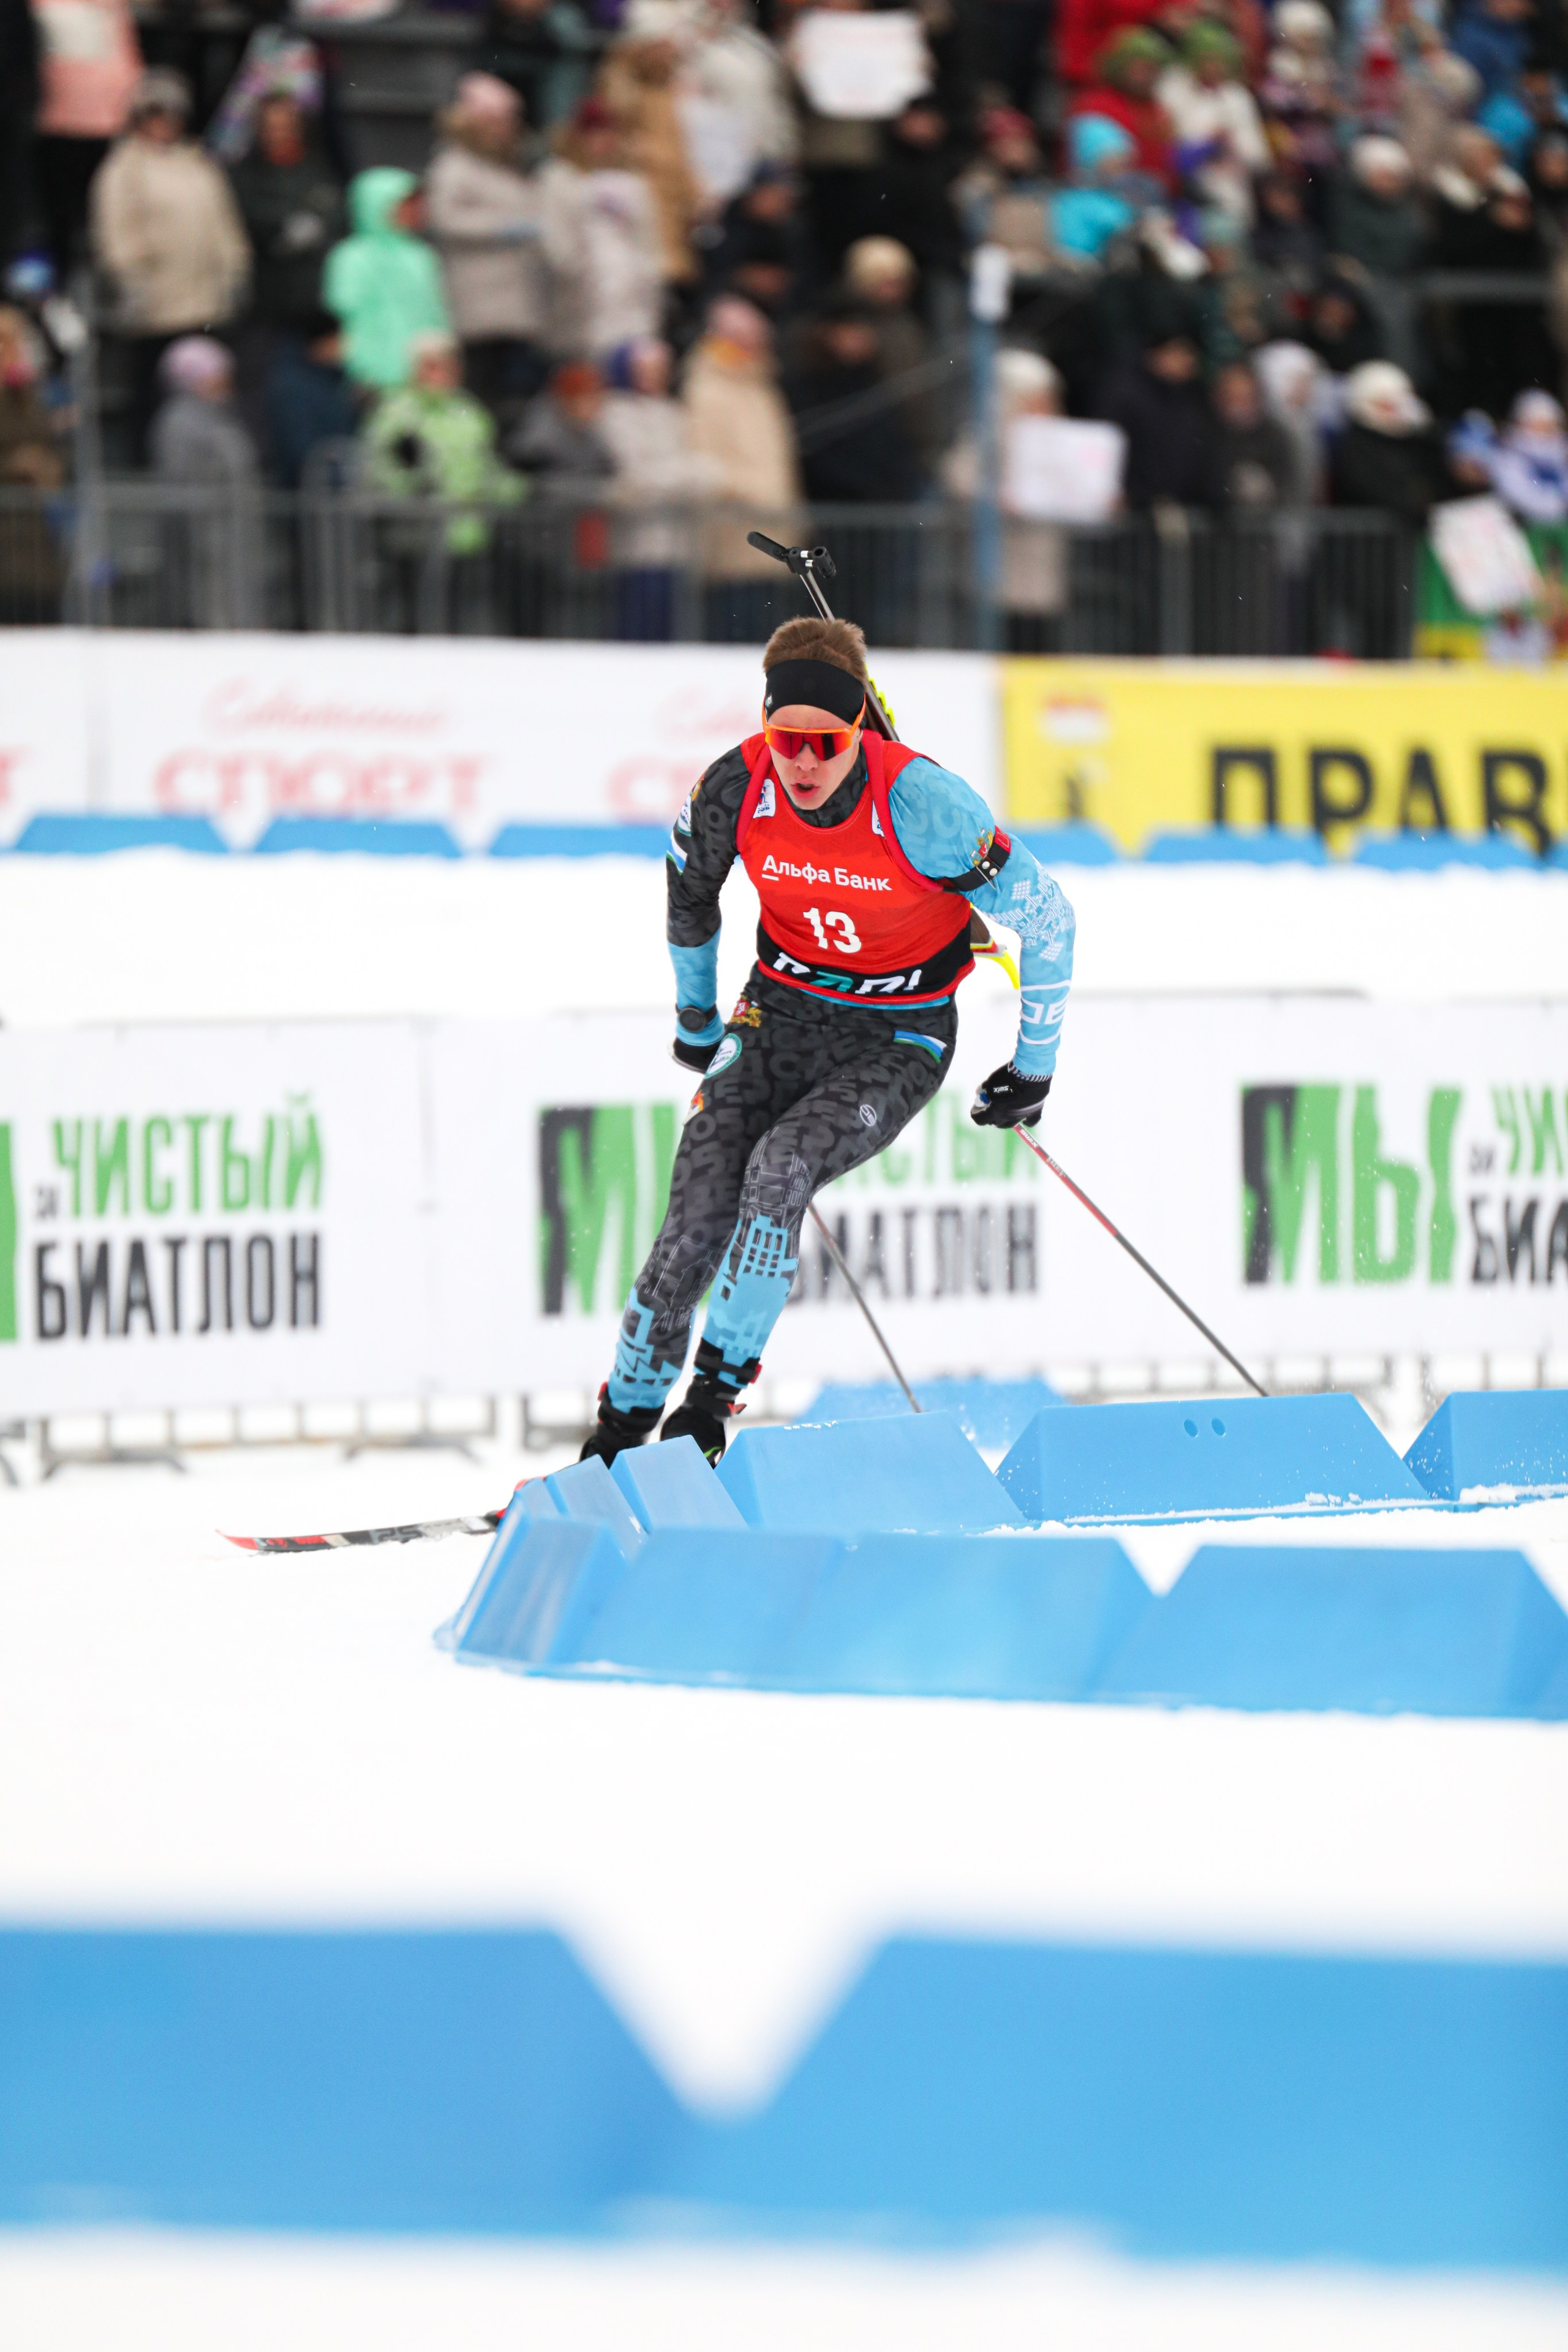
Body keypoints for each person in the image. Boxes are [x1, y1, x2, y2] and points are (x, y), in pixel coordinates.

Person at [577, 612, 1076, 1465]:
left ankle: (706, 1413)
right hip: (780, 1016)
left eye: (826, 742)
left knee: (780, 1168)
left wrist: (1033, 1071)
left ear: (857, 730)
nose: (804, 762)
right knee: (691, 1228)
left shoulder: (923, 803)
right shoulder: (735, 786)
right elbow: (690, 894)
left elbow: (1049, 919)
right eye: (786, 739)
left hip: (897, 1036)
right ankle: (615, 1440)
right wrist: (697, 1021)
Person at [89, 69, 251, 456]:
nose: (164, 123)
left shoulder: (199, 164)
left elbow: (225, 224)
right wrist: (130, 277)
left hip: (203, 303)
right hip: (155, 307)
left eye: (171, 113)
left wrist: (233, 269)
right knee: (154, 393)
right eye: (155, 113)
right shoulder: (123, 168)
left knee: (207, 393)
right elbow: (114, 230)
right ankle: (149, 465)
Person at [424, 72, 573, 418]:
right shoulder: (454, 166)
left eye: (507, 120)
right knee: (483, 395)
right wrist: (506, 229)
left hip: (519, 304)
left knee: (518, 398)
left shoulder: (510, 167)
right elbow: (446, 219)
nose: (503, 128)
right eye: (494, 120)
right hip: (478, 306)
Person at [682, 293, 802, 636]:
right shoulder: (707, 389)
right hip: (736, 542)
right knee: (737, 635)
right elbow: (705, 463)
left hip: (775, 540)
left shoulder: (762, 387)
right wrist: (759, 497)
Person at [148, 334, 263, 627]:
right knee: (210, 606)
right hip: (205, 542)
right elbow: (181, 481)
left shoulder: (220, 417)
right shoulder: (180, 421)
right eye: (218, 375)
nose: (226, 382)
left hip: (230, 535)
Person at [541, 97, 664, 356]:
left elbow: (648, 238)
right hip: (583, 296)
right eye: (594, 134)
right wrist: (572, 271)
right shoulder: (560, 177)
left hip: (630, 295)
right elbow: (556, 240)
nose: (602, 142)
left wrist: (648, 277)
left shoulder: (633, 182)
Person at [31, 0, 141, 276]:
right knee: (57, 219)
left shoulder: (112, 6)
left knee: (103, 217)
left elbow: (128, 61)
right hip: (53, 127)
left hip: (106, 127)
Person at [228, 88, 344, 341]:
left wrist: (319, 226)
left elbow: (336, 213)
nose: (279, 134)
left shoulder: (319, 169)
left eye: (286, 126)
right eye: (271, 127)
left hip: (317, 302)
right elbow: (243, 219)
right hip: (266, 302)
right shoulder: (243, 174)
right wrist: (280, 227)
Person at [323, 168, 450, 394]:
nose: (414, 211)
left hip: (429, 371)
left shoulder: (422, 255)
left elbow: (436, 311)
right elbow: (342, 306)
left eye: (415, 204)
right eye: (404, 204)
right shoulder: (351, 257)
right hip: (374, 375)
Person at [264, 304, 357, 486]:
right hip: (309, 495)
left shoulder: (329, 382)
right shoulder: (295, 388)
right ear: (319, 343)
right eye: (335, 340)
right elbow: (299, 448)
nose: (342, 348)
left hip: (328, 492)